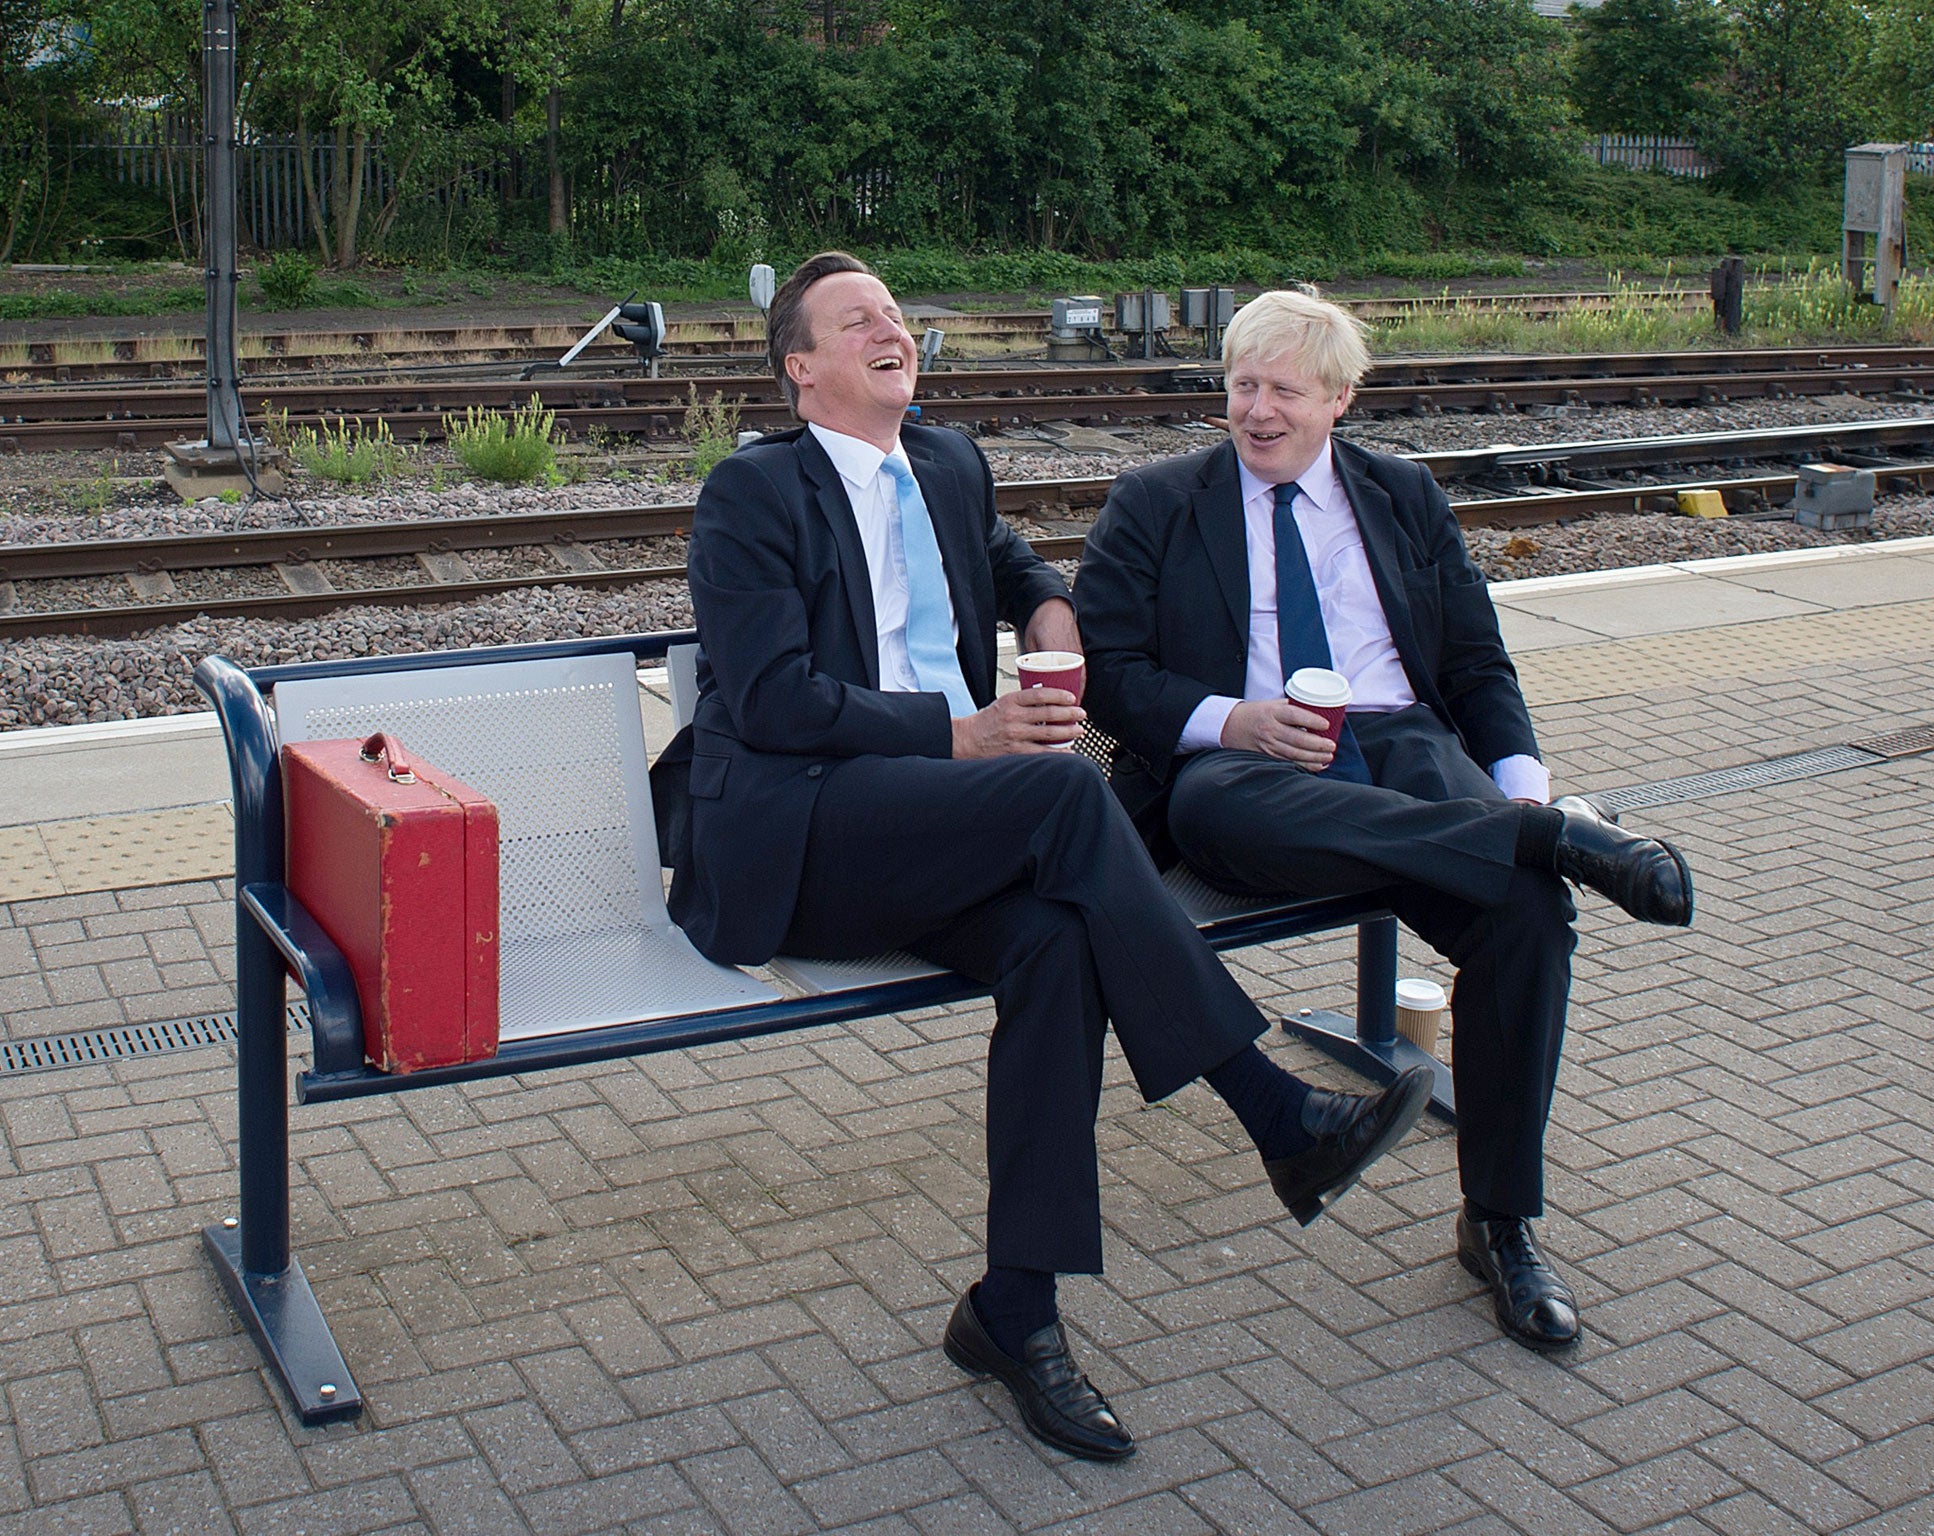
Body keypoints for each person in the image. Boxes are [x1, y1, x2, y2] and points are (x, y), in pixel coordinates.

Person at [651, 254, 1434, 1461]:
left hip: (934, 828)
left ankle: (1014, 1311)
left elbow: (1007, 558)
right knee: (1064, 800)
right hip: (804, 837)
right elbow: (764, 700)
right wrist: (958, 734)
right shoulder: (752, 495)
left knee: (1059, 939)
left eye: (896, 315)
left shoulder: (948, 464)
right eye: (855, 321)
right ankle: (1270, 1107)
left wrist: (1048, 602)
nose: (888, 329)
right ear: (800, 369)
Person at [1074, 288, 1695, 1352]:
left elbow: (1470, 662)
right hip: (1249, 766)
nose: (1257, 411)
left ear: (1339, 400)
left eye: (1283, 390)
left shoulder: (1400, 497)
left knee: (1528, 921)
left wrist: (1518, 787)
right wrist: (1234, 718)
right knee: (1218, 802)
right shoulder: (1155, 501)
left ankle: (1497, 1222)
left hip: (1402, 743)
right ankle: (1548, 845)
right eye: (1240, 386)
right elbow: (1111, 679)